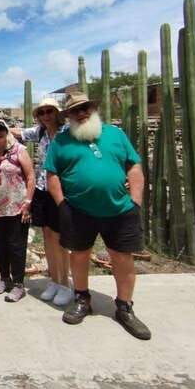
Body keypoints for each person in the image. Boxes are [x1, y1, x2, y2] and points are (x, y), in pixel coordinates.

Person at [45, 92, 151, 340]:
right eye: (75, 110)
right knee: (79, 255)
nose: (81, 113)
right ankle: (82, 298)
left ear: (93, 109)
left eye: (85, 108)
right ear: (68, 116)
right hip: (79, 210)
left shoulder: (115, 134)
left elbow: (133, 166)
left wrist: (135, 200)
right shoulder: (61, 142)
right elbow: (52, 175)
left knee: (122, 257)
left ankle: (124, 307)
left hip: (120, 208)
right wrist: (62, 205)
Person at [11, 98, 73, 306]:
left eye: (50, 111)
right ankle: (54, 280)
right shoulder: (40, 133)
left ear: (57, 112)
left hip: (61, 190)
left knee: (61, 239)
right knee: (47, 236)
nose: (46, 115)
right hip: (42, 189)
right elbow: (16, 133)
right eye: (42, 112)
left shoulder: (69, 133)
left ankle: (66, 283)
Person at [0, 119, 35, 302]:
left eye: (1, 129)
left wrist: (28, 202)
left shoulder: (19, 150)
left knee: (17, 246)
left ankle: (19, 285)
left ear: (7, 132)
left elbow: (30, 176)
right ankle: (5, 279)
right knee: (0, 246)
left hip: (17, 206)